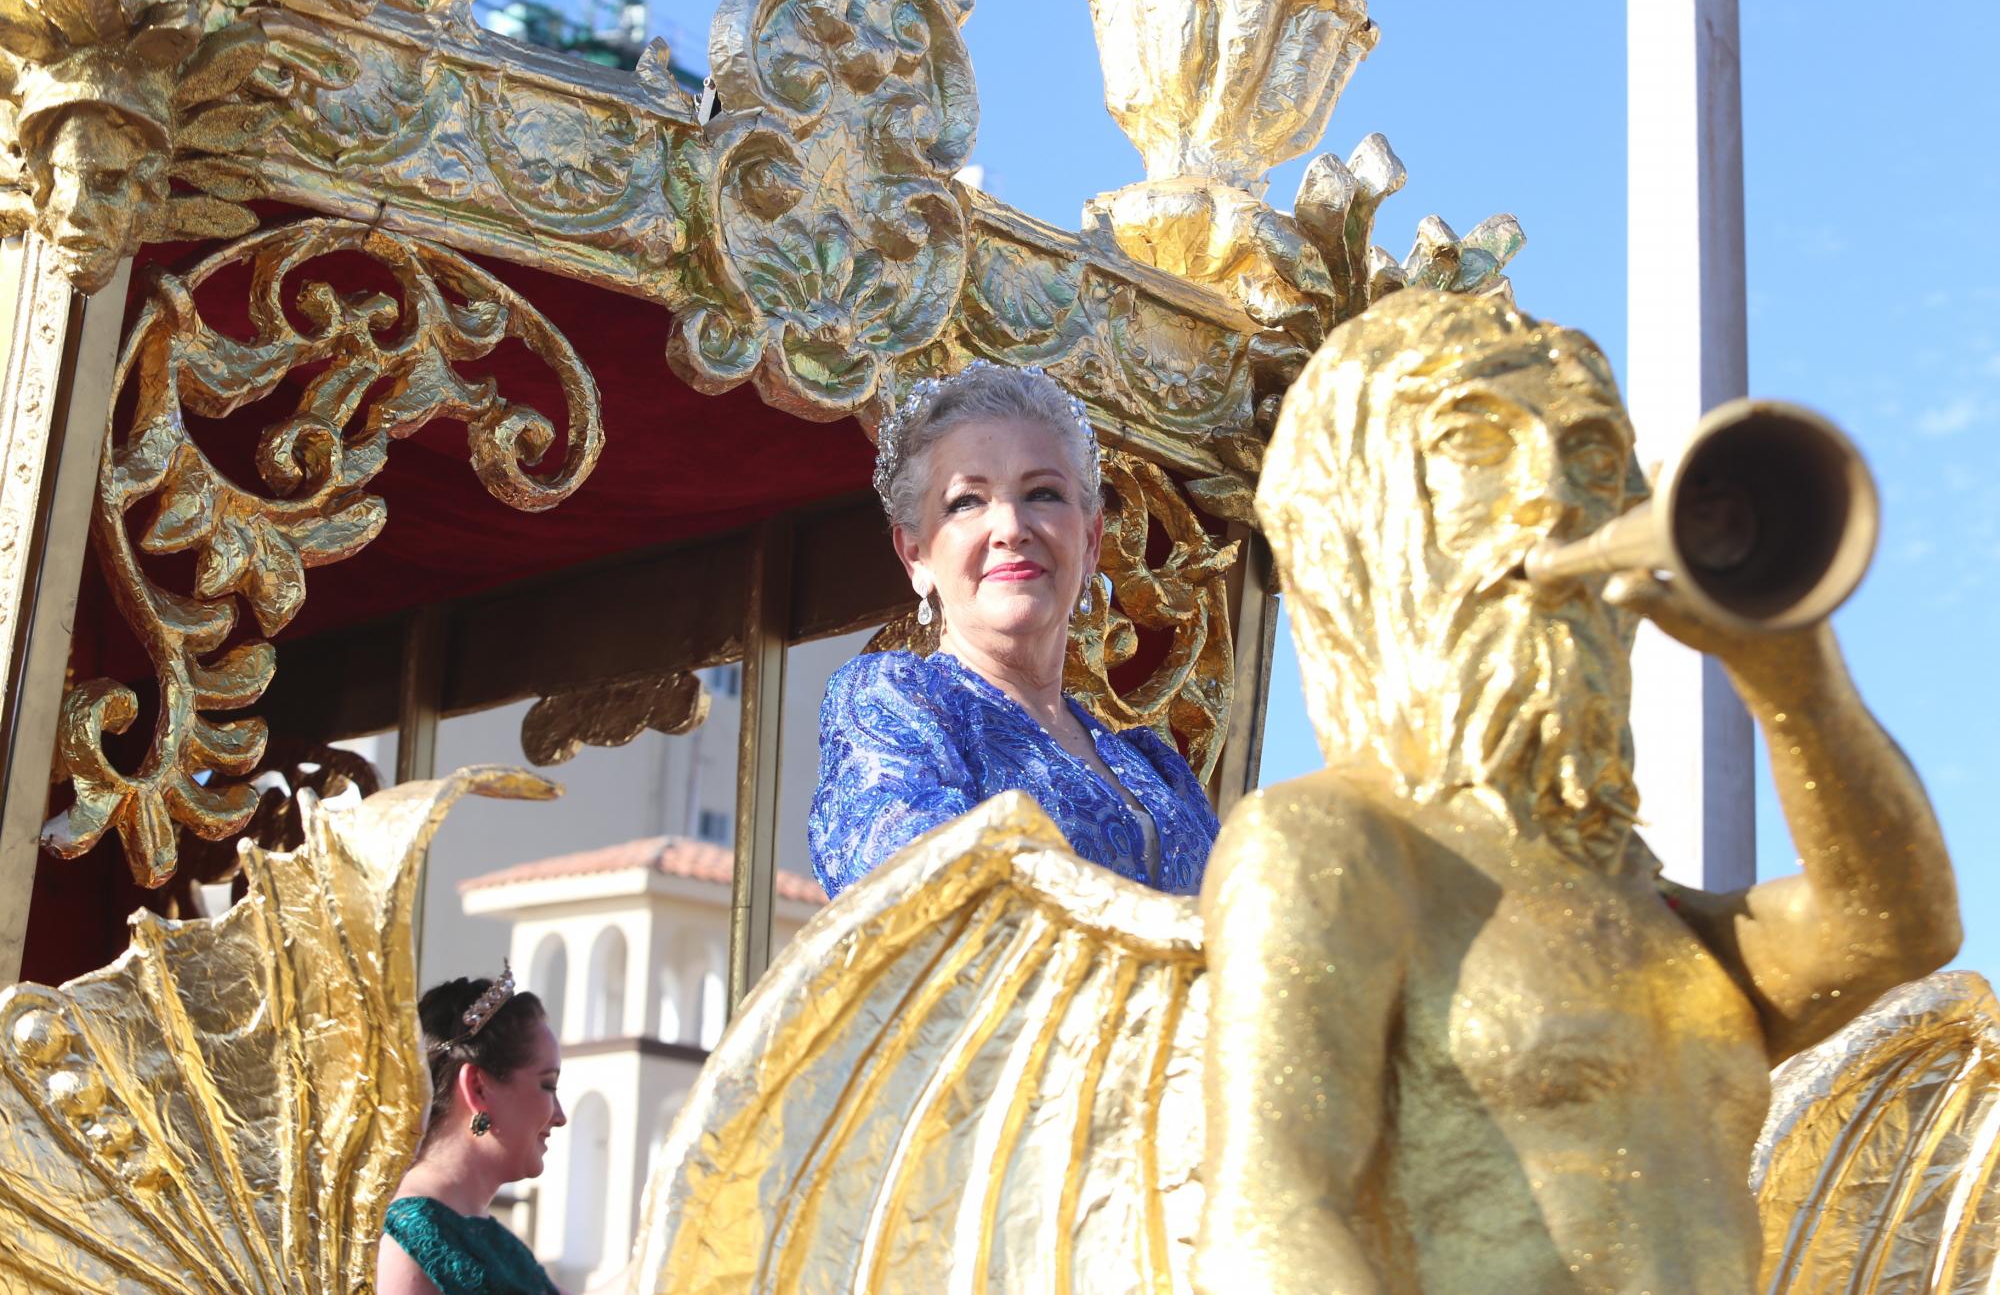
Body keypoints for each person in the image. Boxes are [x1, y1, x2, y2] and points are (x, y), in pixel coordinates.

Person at [1195, 289, 1960, 1292]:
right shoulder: (1327, 842)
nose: (1552, 497)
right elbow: (1269, 1219)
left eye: (1593, 456)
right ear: (1359, 504)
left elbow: (1896, 925)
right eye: (1474, 445)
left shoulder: (1656, 919)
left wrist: (1796, 680)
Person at [808, 361, 1220, 898]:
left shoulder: (1155, 768)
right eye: (966, 501)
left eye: (1042, 494)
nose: (1010, 528)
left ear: (1092, 540)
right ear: (916, 556)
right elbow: (917, 898)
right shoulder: (891, 704)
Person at [378, 969, 589, 1295]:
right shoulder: (408, 1242)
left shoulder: (498, 1242)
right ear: (478, 1089)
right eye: (548, 1085)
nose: (559, 1117)